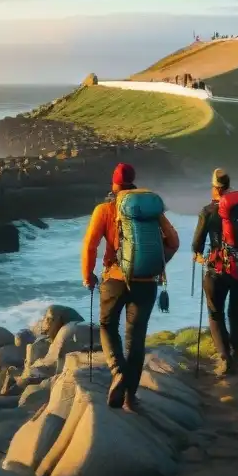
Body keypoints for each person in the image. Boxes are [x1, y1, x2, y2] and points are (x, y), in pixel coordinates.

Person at [82, 163, 180, 410]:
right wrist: (158, 264)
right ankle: (130, 397)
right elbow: (174, 242)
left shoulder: (105, 209)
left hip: (115, 279)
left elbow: (90, 246)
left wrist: (88, 275)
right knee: (135, 340)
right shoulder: (150, 211)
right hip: (146, 282)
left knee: (106, 324)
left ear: (114, 185)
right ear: (133, 183)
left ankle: (117, 371)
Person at [191, 168, 238, 376]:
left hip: (218, 271)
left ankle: (226, 359)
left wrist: (199, 256)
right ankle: (236, 355)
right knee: (235, 313)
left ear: (216, 189)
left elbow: (196, 245)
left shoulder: (208, 211)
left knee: (215, 314)